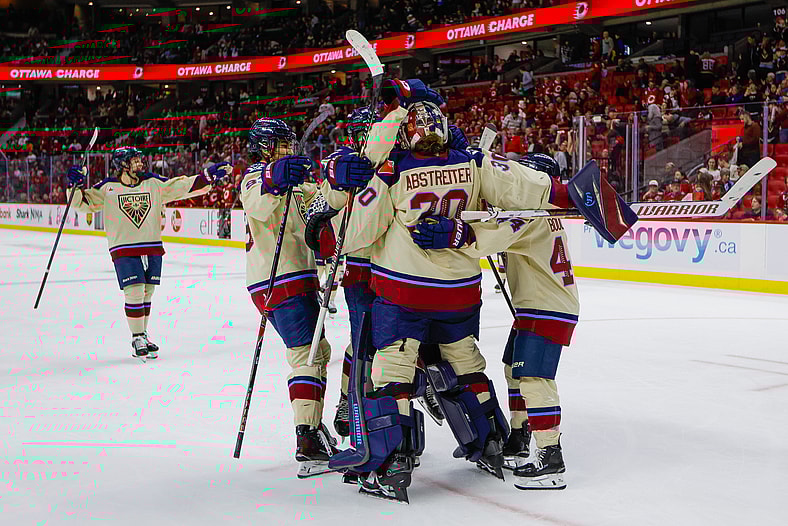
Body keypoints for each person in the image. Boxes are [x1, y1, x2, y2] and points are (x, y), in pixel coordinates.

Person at [422, 153, 580, 490]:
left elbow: (492, 237)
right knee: (514, 369)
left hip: (545, 308)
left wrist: (459, 231)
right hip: (539, 306)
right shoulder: (546, 214)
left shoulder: (532, 213)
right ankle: (521, 434)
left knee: (535, 378)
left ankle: (551, 457)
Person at [239, 118, 342, 478]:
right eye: (282, 145)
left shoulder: (301, 183)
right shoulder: (254, 175)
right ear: (264, 147)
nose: (289, 150)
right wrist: (275, 177)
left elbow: (325, 214)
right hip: (276, 278)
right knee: (307, 354)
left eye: (289, 143)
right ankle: (307, 438)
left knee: (317, 351)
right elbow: (259, 205)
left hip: (297, 276)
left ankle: (311, 428)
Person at [67, 147, 232, 361]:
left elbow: (180, 186)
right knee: (134, 291)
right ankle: (137, 337)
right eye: (134, 161)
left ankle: (143, 334)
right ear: (123, 165)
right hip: (124, 247)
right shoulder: (108, 187)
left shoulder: (152, 183)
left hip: (152, 245)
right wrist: (74, 185)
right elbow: (80, 204)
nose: (139, 164)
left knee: (147, 292)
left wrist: (206, 177)